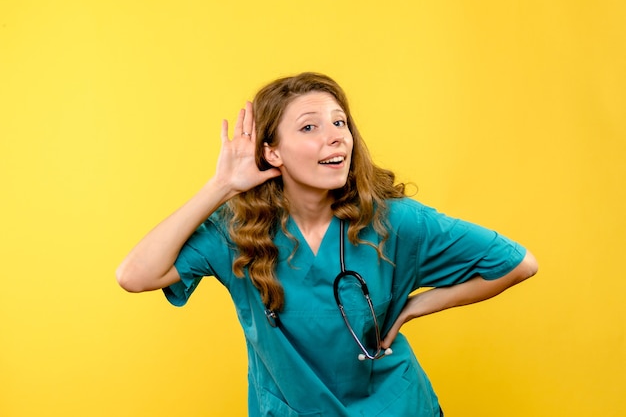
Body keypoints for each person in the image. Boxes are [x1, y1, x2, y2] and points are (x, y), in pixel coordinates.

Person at [116, 72, 538, 416]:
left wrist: (415, 306)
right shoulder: (237, 231)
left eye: (340, 122)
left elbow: (518, 264)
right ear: (273, 153)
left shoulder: (395, 220)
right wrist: (221, 186)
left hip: (394, 408)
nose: (336, 136)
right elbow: (135, 275)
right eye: (309, 127)